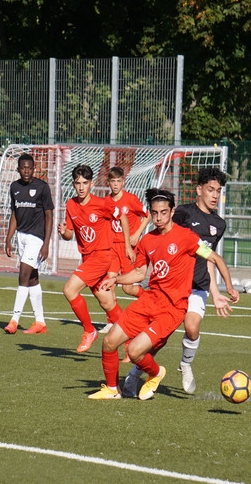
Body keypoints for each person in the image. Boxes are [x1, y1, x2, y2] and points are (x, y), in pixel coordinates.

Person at [89, 188, 239, 400]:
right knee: (109, 342)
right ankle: (113, 389)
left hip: (172, 308)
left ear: (172, 212)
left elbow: (216, 258)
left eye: (163, 212)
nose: (158, 217)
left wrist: (229, 287)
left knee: (134, 351)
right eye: (155, 213)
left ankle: (156, 373)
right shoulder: (147, 240)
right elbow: (139, 273)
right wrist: (116, 279)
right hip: (150, 300)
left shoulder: (187, 237)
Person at [122, 166, 234, 396]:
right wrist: (139, 234)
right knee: (157, 339)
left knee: (192, 327)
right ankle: (135, 373)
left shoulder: (219, 224)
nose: (215, 195)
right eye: (210, 189)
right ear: (199, 190)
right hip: (169, 289)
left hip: (197, 287)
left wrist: (216, 293)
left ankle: (185, 364)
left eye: (218, 191)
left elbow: (208, 259)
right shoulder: (182, 213)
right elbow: (161, 227)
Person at [57, 164, 124, 353]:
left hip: (102, 257)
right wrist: (64, 232)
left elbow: (123, 218)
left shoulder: (102, 204)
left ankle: (89, 331)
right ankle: (131, 340)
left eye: (85, 183)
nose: (81, 187)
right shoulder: (71, 205)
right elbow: (69, 234)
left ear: (92, 184)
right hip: (87, 259)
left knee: (69, 289)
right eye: (78, 183)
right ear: (73, 184)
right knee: (107, 303)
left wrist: (128, 244)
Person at [2, 153, 54, 334]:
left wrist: (46, 244)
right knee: (32, 279)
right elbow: (14, 214)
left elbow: (49, 215)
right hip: (21, 236)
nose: (26, 171)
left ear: (34, 169)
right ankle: (40, 322)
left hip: (36, 238)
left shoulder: (42, 188)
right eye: (23, 168)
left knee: (23, 275)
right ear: (18, 169)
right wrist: (8, 238)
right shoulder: (14, 187)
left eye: (29, 168)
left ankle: (14, 320)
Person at [106, 166, 144, 299]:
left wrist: (137, 234)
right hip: (113, 247)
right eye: (113, 181)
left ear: (123, 182)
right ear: (108, 182)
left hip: (129, 247)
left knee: (127, 288)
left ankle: (148, 298)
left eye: (118, 181)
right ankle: (113, 313)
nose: (115, 184)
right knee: (109, 284)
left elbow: (148, 216)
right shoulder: (106, 201)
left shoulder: (131, 199)